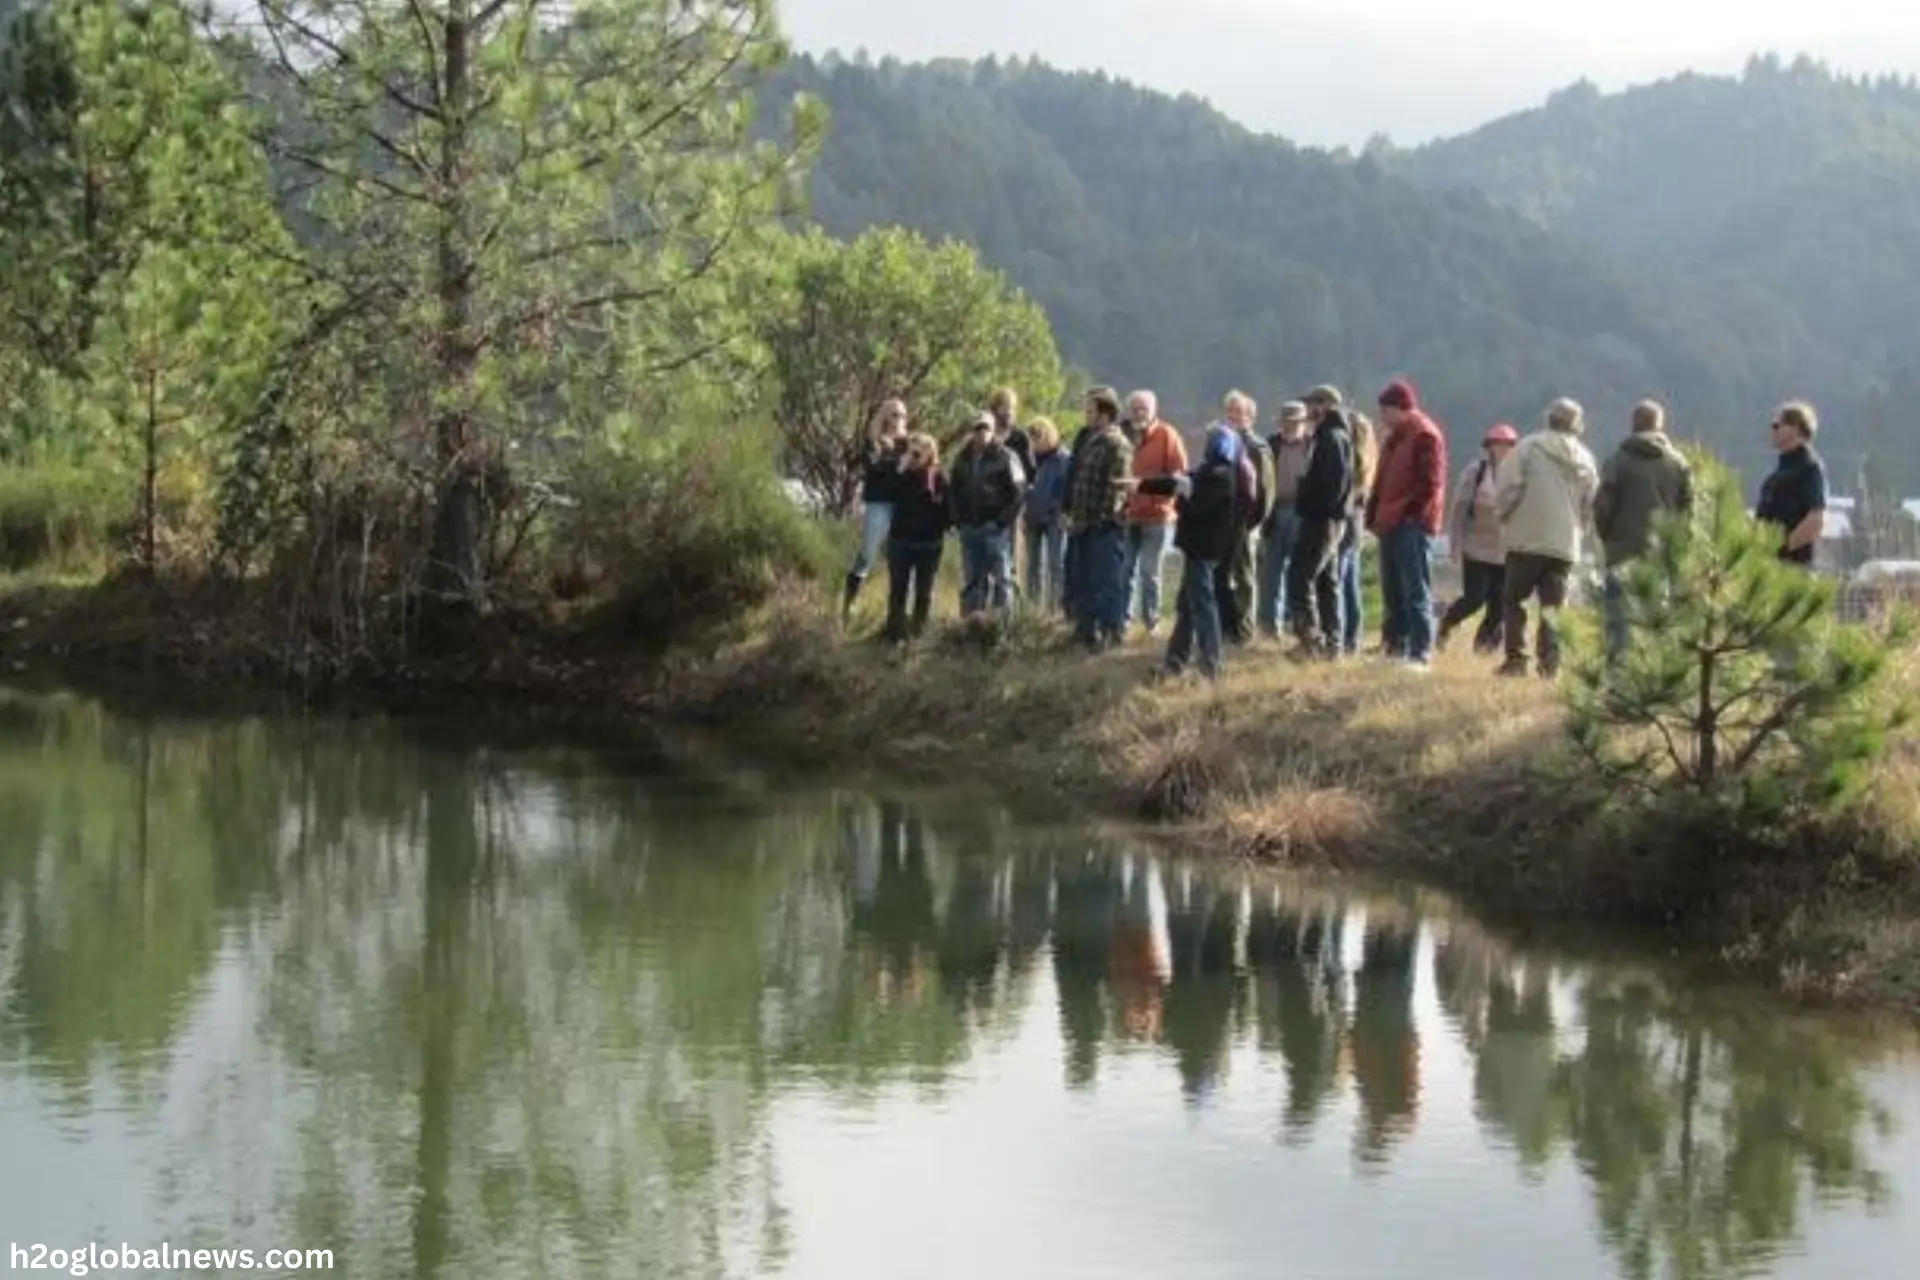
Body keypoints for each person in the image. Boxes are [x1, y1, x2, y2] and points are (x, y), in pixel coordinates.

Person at [1495, 397, 1600, 678]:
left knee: (1514, 600)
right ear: (1577, 425)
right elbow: (1591, 502)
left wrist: (1504, 515)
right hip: (1564, 543)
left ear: (1548, 418)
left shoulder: (1527, 448)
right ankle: (1550, 664)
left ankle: (1516, 659)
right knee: (1554, 607)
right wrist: (1580, 528)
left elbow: (1507, 489)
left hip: (1526, 538)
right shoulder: (1586, 458)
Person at [1137, 422, 1242, 681]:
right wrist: (1140, 485)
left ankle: (1212, 664)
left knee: (1203, 607)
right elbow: (1175, 482)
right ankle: (1174, 663)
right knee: (1187, 608)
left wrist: (1181, 498)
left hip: (1203, 550)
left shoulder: (1219, 476)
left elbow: (1195, 509)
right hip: (1198, 549)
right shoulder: (1212, 472)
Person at [1593, 399, 1694, 658]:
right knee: (1655, 620)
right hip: (1660, 553)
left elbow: (1602, 506)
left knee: (1618, 621)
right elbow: (1688, 513)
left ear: (1633, 424)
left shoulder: (1617, 460)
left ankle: (1618, 680)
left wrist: (1607, 538)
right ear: (1660, 425)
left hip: (1621, 550)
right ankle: (1651, 680)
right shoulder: (1679, 463)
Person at [1366, 378, 1449, 668]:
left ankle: (1420, 652)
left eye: (1385, 411)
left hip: (1411, 525)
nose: (1382, 418)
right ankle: (1394, 647)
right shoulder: (1394, 439)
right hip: (1390, 522)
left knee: (1415, 589)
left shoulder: (1425, 436)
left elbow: (1431, 483)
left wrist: (1411, 514)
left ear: (1401, 408)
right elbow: (1382, 479)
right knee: (1394, 591)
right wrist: (1374, 513)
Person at [1285, 389, 1356, 659]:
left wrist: (1310, 505)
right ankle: (1332, 645)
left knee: (1300, 578)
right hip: (1329, 519)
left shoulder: (1331, 438)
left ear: (1325, 406)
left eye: (1312, 404)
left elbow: (1334, 485)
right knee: (1327, 582)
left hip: (1322, 520)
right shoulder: (1330, 435)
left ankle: (1311, 642)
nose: (1308, 409)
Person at [1063, 387, 1135, 651]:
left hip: (1103, 526)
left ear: (1105, 414)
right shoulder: (1091, 440)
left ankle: (1110, 633)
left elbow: (1116, 488)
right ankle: (1085, 631)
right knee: (1085, 581)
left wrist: (1102, 519)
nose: (1087, 415)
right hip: (1082, 524)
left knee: (1108, 582)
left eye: (1091, 411)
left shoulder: (1117, 444)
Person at [1437, 424, 1518, 654]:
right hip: (1476, 548)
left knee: (1499, 604)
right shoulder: (1476, 472)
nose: (1502, 449)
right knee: (1475, 598)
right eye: (1497, 444)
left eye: (1508, 445)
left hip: (1506, 551)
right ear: (1489, 447)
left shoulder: (1519, 475)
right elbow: (1459, 509)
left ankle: (1484, 647)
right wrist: (1455, 543)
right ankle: (1446, 624)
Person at [1122, 389, 1188, 637]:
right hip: (1128, 514)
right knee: (1124, 569)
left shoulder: (1167, 435)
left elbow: (1179, 475)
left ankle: (1152, 623)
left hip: (1158, 515)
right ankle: (1124, 621)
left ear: (1154, 411)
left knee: (1149, 571)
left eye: (1144, 409)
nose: (1139, 413)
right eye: (1135, 408)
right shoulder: (1123, 435)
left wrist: (1159, 494)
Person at [949, 412, 1026, 619]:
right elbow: (953, 491)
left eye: (986, 428)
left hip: (995, 529)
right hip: (969, 528)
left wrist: (1001, 521)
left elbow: (1019, 493)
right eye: (978, 428)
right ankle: (970, 626)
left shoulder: (1008, 456)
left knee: (1003, 578)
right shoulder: (961, 458)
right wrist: (957, 520)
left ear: (994, 431)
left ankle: (1002, 626)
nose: (982, 432)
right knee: (972, 579)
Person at [842, 398, 909, 622]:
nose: (899, 419)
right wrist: (896, 466)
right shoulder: (874, 442)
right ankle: (849, 604)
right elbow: (873, 468)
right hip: (879, 502)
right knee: (868, 551)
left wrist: (896, 466)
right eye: (894, 414)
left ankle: (896, 612)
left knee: (899, 557)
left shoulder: (908, 443)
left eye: (902, 415)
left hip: (901, 504)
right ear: (885, 417)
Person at [1215, 390, 1273, 645]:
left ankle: (1245, 631)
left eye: (1239, 412)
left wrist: (1251, 525)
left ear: (1251, 417)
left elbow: (1266, 493)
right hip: (1222, 524)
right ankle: (1226, 628)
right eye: (1230, 412)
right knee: (1222, 575)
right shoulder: (1221, 444)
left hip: (1246, 525)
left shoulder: (1258, 448)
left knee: (1245, 579)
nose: (1234, 417)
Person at [883, 433, 951, 643]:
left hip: (928, 543)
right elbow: (887, 493)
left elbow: (948, 509)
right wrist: (901, 467)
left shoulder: (938, 477)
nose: (916, 453)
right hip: (901, 541)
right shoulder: (901, 474)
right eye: (912, 448)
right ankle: (894, 634)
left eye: (921, 449)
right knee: (898, 589)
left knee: (924, 591)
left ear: (931, 452)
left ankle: (917, 635)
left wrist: (939, 526)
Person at [1258, 400, 1315, 639]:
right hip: (1275, 511)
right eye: (1286, 422)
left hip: (1302, 513)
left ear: (1303, 423)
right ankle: (1270, 626)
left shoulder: (1313, 445)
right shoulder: (1270, 445)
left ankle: (1298, 624)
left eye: (1295, 422)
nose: (1290, 426)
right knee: (1270, 572)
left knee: (1299, 572)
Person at [1754, 399, 1828, 569]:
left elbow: (1815, 521)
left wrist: (1780, 550)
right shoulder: (1775, 476)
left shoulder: (1809, 468)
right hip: (1767, 568)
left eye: (1777, 425)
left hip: (1792, 569)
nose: (1773, 431)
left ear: (1795, 428)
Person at [1022, 417, 1072, 613]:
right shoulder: (1030, 458)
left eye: (1039, 436)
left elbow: (1066, 489)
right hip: (1033, 517)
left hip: (1054, 518)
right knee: (1033, 566)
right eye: (1032, 438)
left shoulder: (1064, 459)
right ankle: (1032, 608)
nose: (1035, 442)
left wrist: (1058, 509)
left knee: (1056, 564)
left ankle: (1055, 609)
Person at [1341, 404, 1378, 656]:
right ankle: (1354, 637)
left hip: (1347, 519)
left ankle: (1345, 637)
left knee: (1339, 579)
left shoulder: (1350, 458)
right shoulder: (1369, 458)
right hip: (1358, 520)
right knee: (1350, 582)